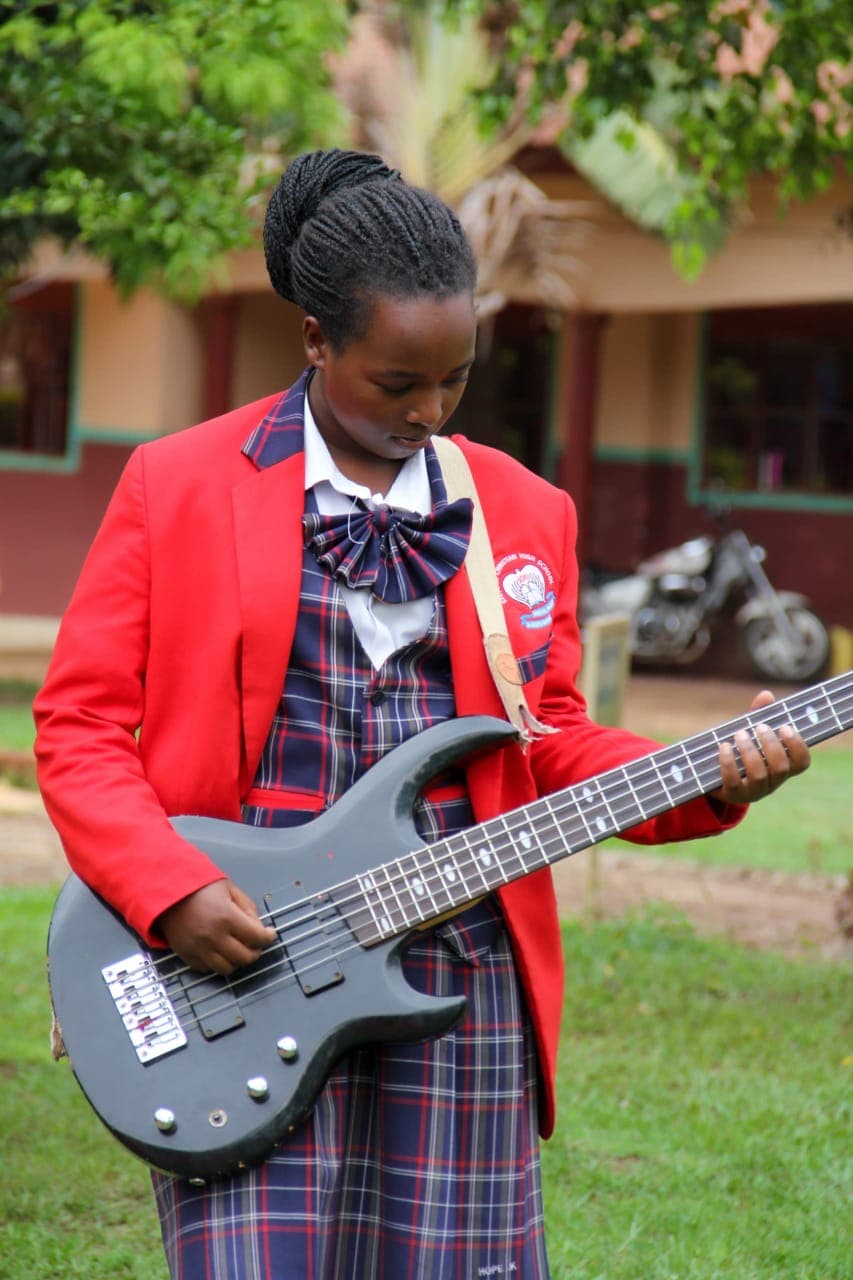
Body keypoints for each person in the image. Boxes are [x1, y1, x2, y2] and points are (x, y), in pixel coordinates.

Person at [33, 149, 810, 1280]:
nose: (428, 411)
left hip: (459, 974)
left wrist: (707, 773)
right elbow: (80, 725)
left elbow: (545, 739)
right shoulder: (177, 483)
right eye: (396, 383)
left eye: (453, 380)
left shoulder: (522, 507)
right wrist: (169, 889)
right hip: (243, 959)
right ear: (314, 339)